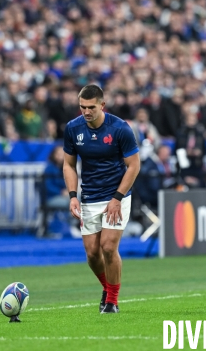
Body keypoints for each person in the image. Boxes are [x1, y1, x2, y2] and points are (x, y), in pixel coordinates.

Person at [63, 84, 140, 314]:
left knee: (108, 247)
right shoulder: (72, 128)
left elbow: (134, 166)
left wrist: (117, 197)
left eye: (91, 107)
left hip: (116, 195)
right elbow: (68, 164)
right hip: (89, 197)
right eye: (82, 107)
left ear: (102, 105)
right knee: (92, 254)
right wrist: (73, 196)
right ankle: (108, 287)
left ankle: (112, 302)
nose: (86, 112)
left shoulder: (120, 128)